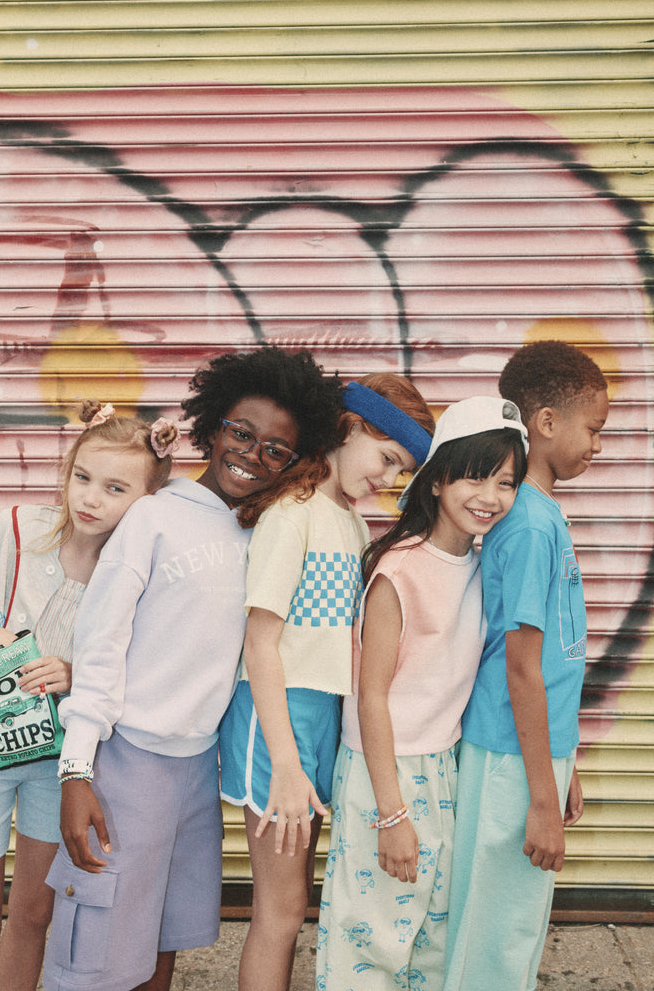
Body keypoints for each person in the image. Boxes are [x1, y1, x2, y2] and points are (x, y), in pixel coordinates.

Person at [42, 345, 343, 991]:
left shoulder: (264, 532)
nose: (252, 454)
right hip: (125, 767)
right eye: (241, 432)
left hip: (195, 777)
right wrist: (76, 770)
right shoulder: (153, 516)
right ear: (211, 427)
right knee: (94, 956)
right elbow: (100, 645)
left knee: (160, 946)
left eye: (275, 449)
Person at [0, 402, 178, 991]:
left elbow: (136, 670)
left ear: (148, 500)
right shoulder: (14, 531)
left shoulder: (134, 570)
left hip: (52, 769)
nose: (91, 498)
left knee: (35, 916)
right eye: (82, 477)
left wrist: (74, 672)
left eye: (116, 488)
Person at [219, 374, 436, 991]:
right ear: (350, 426)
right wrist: (285, 762)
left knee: (295, 907)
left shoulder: (346, 518)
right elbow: (259, 641)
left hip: (318, 720)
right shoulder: (293, 514)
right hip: (277, 722)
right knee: (281, 913)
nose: (388, 481)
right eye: (388, 460)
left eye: (401, 471)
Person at [316, 396, 528, 991]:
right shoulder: (399, 571)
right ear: (436, 481)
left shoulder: (483, 564)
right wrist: (392, 813)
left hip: (443, 767)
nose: (490, 495)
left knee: (431, 938)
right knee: (372, 939)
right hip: (385, 774)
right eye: (475, 475)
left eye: (506, 482)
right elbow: (370, 697)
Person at [443, 341, 609, 991]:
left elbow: (553, 665)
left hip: (530, 755)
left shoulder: (539, 517)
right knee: (493, 938)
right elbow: (521, 671)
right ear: (545, 422)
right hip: (509, 758)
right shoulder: (531, 527)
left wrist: (561, 765)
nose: (597, 445)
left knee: (510, 930)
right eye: (592, 429)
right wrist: (542, 797)